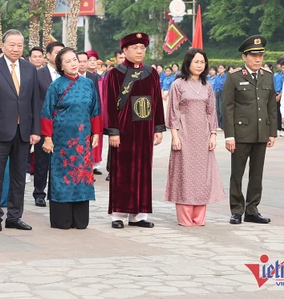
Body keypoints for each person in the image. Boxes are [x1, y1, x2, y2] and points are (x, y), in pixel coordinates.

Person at [102, 32, 165, 229]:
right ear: (125, 51)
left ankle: (138, 215)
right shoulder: (115, 74)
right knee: (123, 172)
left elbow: (157, 103)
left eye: (142, 48)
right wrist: (113, 131)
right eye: (135, 48)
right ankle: (119, 214)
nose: (139, 51)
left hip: (145, 130)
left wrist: (158, 128)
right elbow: (110, 104)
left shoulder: (151, 72)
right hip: (124, 131)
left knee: (143, 170)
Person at [0, 29, 41, 232]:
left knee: (19, 176)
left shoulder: (30, 69)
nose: (16, 49)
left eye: (19, 45)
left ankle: (15, 216)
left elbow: (34, 102)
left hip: (23, 131)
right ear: (3, 45)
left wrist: (35, 130)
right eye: (12, 45)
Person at [40, 47, 101, 229]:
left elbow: (95, 109)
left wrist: (96, 132)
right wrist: (47, 138)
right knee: (62, 177)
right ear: (60, 66)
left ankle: (80, 219)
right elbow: (46, 113)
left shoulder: (88, 83)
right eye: (68, 61)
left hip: (83, 139)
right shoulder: (56, 85)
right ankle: (62, 219)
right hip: (62, 141)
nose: (73, 63)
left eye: (74, 59)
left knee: (82, 176)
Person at [165, 48, 225, 226]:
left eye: (202, 62)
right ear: (188, 62)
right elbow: (173, 112)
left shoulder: (207, 86)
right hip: (184, 135)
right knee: (184, 175)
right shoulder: (178, 85)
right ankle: (185, 217)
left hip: (203, 137)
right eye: (196, 61)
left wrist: (213, 135)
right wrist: (175, 136)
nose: (199, 65)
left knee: (202, 176)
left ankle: (199, 217)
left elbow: (211, 112)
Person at [222, 35, 276, 225]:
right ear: (244, 57)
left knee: (257, 173)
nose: (258, 59)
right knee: (237, 173)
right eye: (253, 55)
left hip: (261, 132)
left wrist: (272, 132)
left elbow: (271, 106)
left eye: (260, 55)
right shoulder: (234, 77)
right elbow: (227, 107)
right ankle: (237, 210)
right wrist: (229, 135)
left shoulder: (267, 76)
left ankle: (252, 210)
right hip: (240, 134)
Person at [34, 41, 64, 208]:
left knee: (60, 160)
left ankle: (56, 192)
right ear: (48, 55)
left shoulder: (68, 75)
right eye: (57, 52)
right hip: (43, 124)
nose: (59, 56)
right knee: (41, 161)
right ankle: (39, 193)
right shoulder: (38, 74)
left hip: (63, 125)